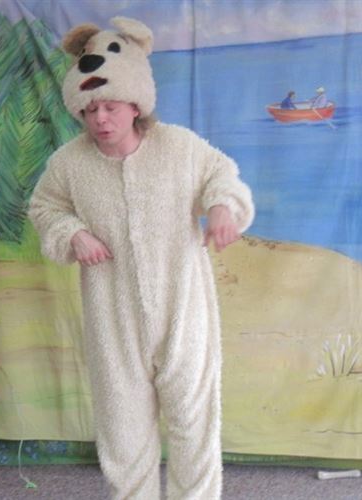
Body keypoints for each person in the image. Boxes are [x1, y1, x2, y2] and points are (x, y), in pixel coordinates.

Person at [28, 17, 254, 500]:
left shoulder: (180, 148)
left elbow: (223, 176)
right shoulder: (69, 163)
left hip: (183, 311)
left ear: (135, 104)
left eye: (110, 107)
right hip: (112, 317)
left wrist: (221, 206)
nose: (100, 119)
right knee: (123, 432)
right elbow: (44, 208)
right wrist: (73, 233)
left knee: (193, 425)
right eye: (90, 110)